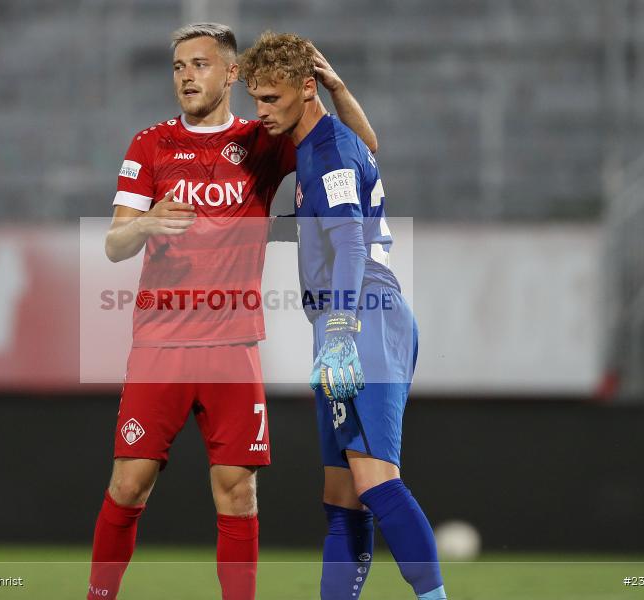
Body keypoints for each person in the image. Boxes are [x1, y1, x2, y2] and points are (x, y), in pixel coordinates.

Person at [89, 23, 377, 600]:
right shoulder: (150, 144)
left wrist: (337, 88)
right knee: (128, 484)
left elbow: (359, 147)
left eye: (199, 64)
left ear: (231, 73)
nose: (186, 77)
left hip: (233, 345)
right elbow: (115, 244)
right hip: (160, 344)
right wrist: (148, 222)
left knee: (237, 493)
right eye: (178, 67)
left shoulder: (261, 139)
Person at [240, 32, 448, 600]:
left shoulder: (328, 153)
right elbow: (371, 144)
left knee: (376, 482)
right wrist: (338, 87)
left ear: (305, 89)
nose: (261, 112)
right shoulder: (325, 142)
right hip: (342, 320)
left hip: (362, 317)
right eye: (256, 99)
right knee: (342, 497)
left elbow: (352, 246)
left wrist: (339, 332)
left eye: (271, 98)